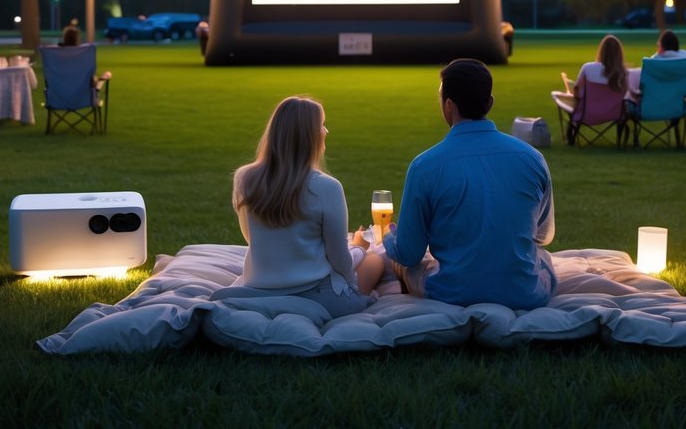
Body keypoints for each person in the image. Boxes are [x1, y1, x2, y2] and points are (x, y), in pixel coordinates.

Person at [383, 59, 557, 309]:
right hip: (525, 294)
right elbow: (543, 235)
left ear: (449, 105)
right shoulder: (532, 158)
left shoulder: (425, 167)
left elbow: (409, 253)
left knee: (404, 265)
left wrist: (390, 237)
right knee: (544, 259)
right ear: (490, 103)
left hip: (452, 293)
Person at [231, 96, 380, 316]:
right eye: (321, 125)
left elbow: (252, 239)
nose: (326, 131)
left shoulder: (245, 178)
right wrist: (358, 248)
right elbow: (340, 262)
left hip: (259, 289)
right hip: (316, 296)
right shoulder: (326, 187)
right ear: (309, 136)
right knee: (375, 261)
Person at [575, 34, 635, 99]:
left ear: (602, 51)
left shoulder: (587, 68)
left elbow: (577, 91)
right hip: (615, 109)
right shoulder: (624, 73)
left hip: (590, 108)